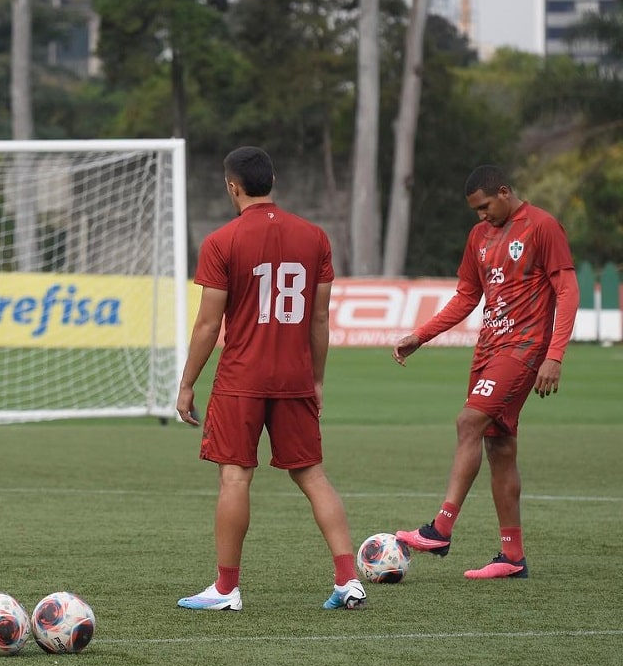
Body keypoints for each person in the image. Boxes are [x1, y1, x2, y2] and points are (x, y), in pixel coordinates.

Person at [176, 146, 366, 611]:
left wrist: (185, 384)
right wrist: (316, 379)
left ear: (231, 186)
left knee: (235, 478)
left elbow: (207, 325)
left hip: (242, 377)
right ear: (273, 180)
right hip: (295, 376)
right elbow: (319, 320)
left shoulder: (222, 241)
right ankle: (348, 580)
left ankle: (225, 590)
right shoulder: (315, 237)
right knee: (314, 476)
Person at [393, 165, 578, 579]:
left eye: (484, 206)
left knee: (468, 421)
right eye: (474, 210)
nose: (480, 216)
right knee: (500, 447)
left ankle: (440, 528)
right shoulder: (478, 237)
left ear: (504, 192)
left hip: (524, 348)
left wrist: (555, 355)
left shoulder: (542, 226)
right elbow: (465, 298)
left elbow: (567, 291)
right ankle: (512, 558)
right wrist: (420, 336)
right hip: (489, 349)